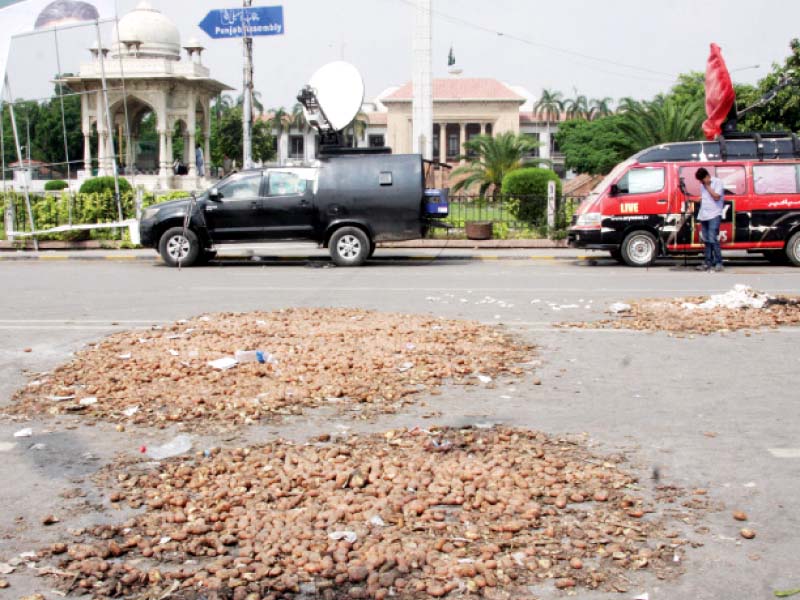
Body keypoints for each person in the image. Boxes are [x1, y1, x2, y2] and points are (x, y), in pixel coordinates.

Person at [694, 167, 724, 272]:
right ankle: (708, 262)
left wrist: (708, 187)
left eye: (702, 180)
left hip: (714, 214)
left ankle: (719, 262)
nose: (701, 182)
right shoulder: (702, 186)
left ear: (707, 176)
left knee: (712, 239)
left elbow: (717, 197)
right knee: (706, 240)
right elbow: (706, 198)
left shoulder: (718, 182)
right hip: (704, 214)